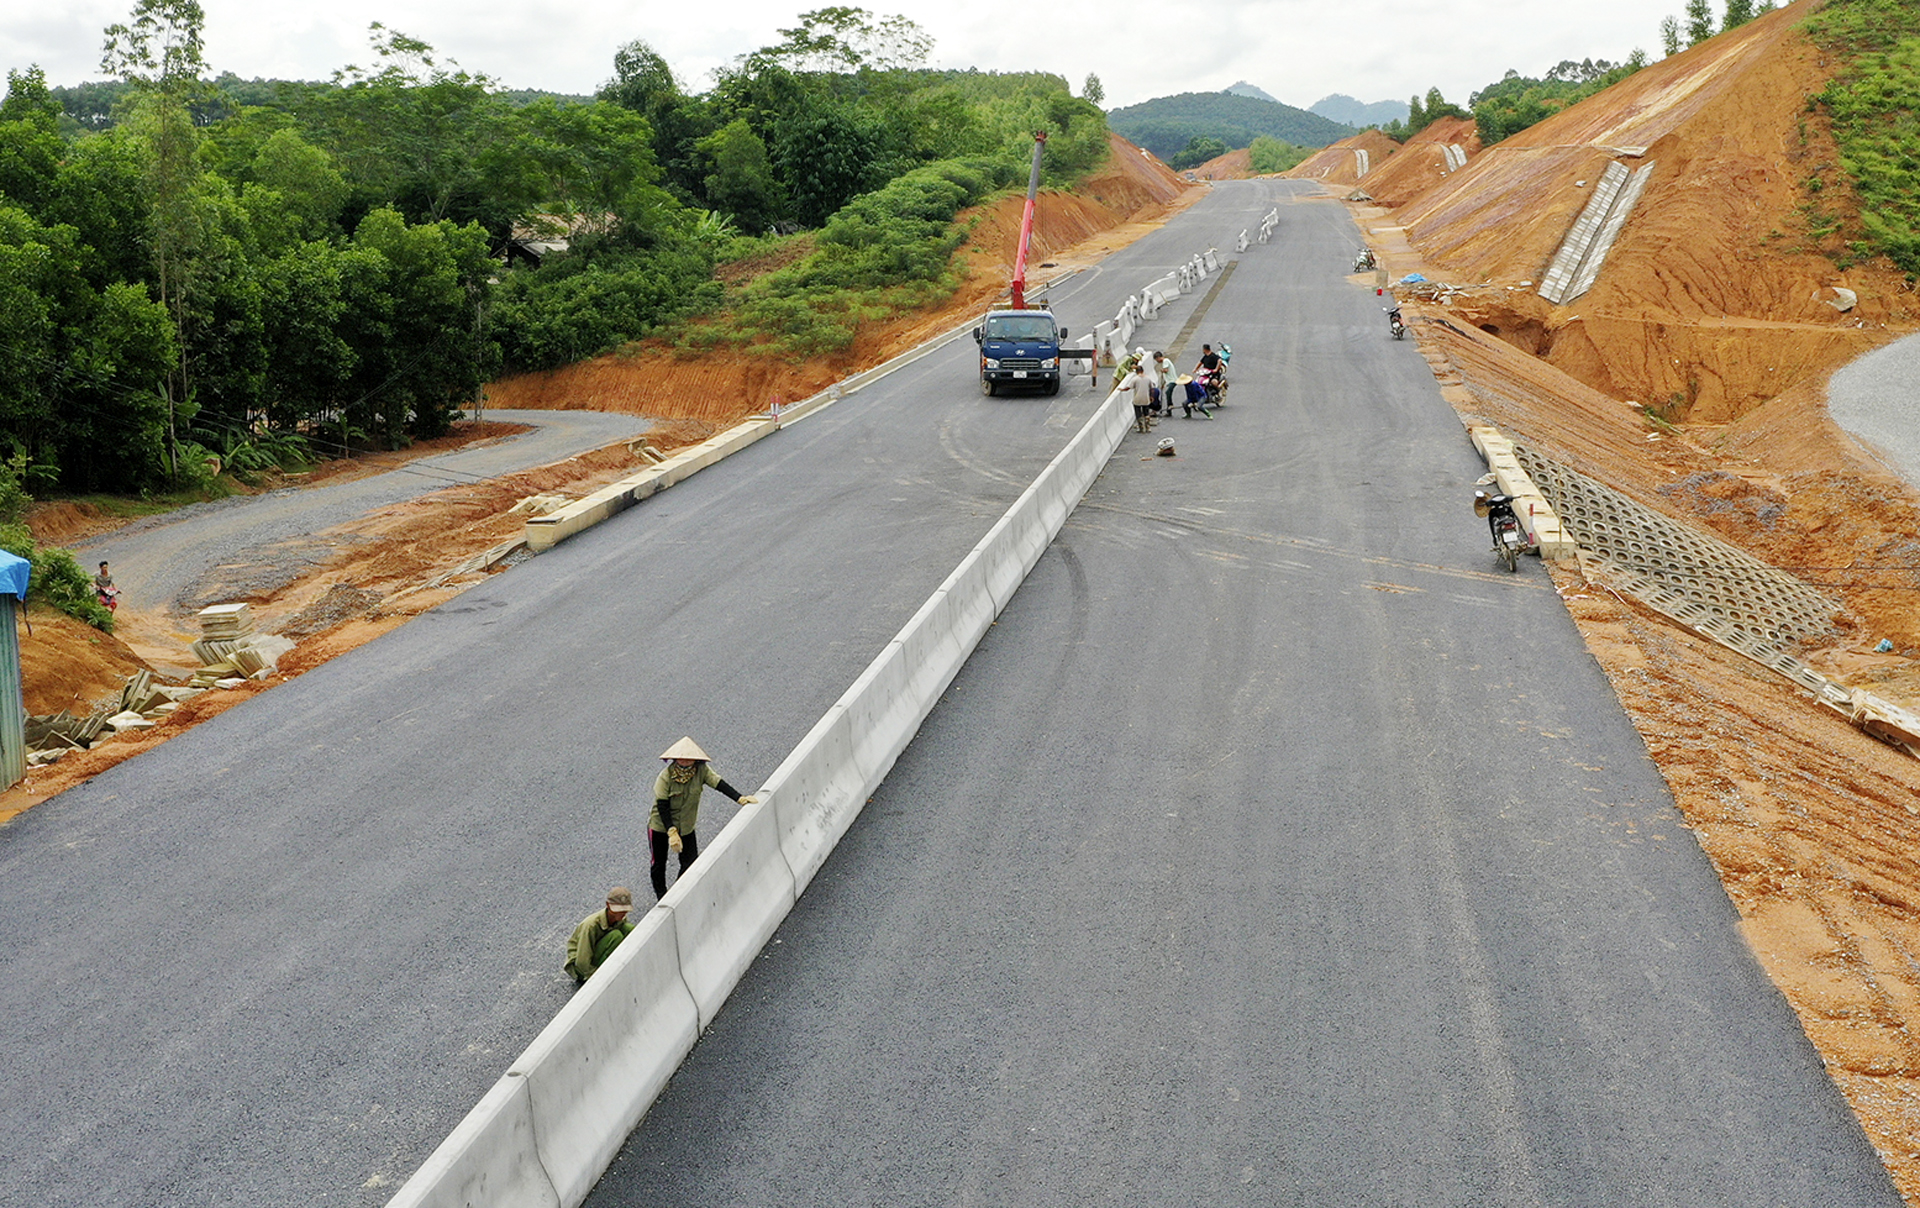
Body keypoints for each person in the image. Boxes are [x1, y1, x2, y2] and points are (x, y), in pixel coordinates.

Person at [650, 737, 758, 900]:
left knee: (690, 862)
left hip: (686, 825)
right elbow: (662, 805)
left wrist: (739, 798)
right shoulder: (665, 777)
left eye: (689, 758)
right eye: (681, 758)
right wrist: (671, 831)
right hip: (660, 825)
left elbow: (719, 783)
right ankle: (661, 897)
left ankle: (677, 895)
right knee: (659, 863)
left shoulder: (702, 771)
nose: (685, 761)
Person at [565, 887, 636, 986]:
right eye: (619, 910)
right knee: (616, 936)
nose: (622, 913)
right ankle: (604, 972)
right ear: (608, 905)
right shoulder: (590, 925)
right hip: (582, 969)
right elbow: (582, 962)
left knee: (629, 929)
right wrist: (597, 979)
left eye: (624, 910)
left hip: (597, 952)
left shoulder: (620, 918)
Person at [1118, 363, 1155, 433]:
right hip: (1146, 398)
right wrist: (1151, 396)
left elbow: (1128, 387)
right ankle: (1148, 427)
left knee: (1138, 413)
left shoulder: (1135, 379)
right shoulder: (1148, 378)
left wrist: (1122, 389)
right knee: (1146, 412)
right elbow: (1152, 388)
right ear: (1143, 371)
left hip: (1137, 398)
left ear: (1136, 372)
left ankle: (1141, 428)